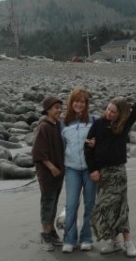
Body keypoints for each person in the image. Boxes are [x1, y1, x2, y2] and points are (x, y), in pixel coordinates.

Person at [85, 97, 136, 258]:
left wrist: (125, 103)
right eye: (108, 109)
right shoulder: (98, 124)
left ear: (120, 114)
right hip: (102, 174)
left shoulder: (124, 124)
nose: (109, 113)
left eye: (113, 111)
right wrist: (93, 170)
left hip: (118, 172)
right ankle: (114, 241)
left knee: (121, 207)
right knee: (105, 208)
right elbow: (87, 147)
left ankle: (128, 242)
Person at [60, 86, 97, 253]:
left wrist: (96, 143)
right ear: (71, 102)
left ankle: (86, 238)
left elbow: (104, 140)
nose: (79, 104)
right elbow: (61, 147)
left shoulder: (94, 120)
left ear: (86, 103)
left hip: (90, 169)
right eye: (76, 101)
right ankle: (69, 239)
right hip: (72, 169)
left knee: (90, 205)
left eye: (82, 101)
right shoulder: (64, 123)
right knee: (71, 204)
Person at [32, 95, 65, 252]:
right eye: (55, 108)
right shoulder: (44, 126)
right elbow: (37, 152)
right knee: (47, 202)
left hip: (59, 172)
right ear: (47, 110)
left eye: (60, 107)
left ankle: (51, 231)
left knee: (54, 202)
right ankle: (45, 233)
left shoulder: (57, 125)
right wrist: (51, 167)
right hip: (47, 173)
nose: (59, 110)